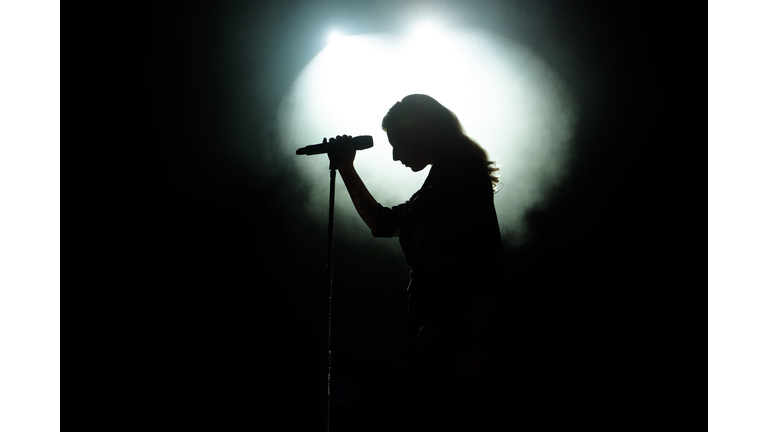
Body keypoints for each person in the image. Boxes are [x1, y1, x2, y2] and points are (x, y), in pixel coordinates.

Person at [325, 94, 503, 431]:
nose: (395, 156)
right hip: (431, 330)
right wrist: (346, 167)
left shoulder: (461, 176)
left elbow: (487, 259)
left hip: (449, 332)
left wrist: (470, 336)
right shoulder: (440, 183)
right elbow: (382, 223)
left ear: (422, 130)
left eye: (398, 144)